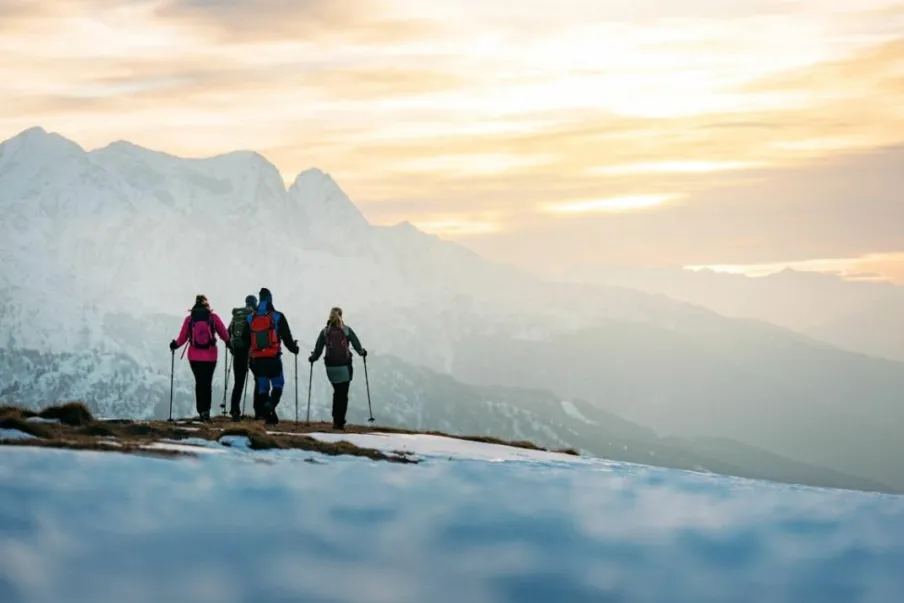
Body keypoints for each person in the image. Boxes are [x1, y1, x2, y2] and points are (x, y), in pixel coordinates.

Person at [169, 294, 230, 422]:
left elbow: (182, 338)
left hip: (194, 357)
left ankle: (201, 410)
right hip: (210, 356)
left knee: (199, 383)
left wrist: (175, 345)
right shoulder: (213, 317)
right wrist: (228, 342)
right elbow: (224, 333)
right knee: (207, 384)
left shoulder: (190, 319)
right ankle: (206, 411)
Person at [308, 306, 367, 430]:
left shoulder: (325, 332)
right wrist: (362, 353)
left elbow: (318, 351)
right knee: (343, 394)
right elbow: (357, 346)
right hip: (344, 367)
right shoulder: (346, 330)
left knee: (337, 392)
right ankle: (340, 422)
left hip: (330, 368)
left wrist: (312, 358)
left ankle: (336, 419)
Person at [247, 287, 299, 425]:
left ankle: (270, 416)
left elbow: (247, 339)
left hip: (257, 359)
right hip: (273, 359)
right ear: (270, 299)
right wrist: (294, 349)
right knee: (278, 385)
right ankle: (270, 407)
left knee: (263, 388)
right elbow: (287, 337)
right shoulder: (277, 316)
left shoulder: (250, 318)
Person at [225, 294, 257, 422]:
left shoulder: (237, 316)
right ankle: (259, 411)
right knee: (260, 380)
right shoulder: (253, 316)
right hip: (251, 353)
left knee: (238, 382)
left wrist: (232, 348)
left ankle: (235, 411)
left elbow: (227, 334)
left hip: (238, 352)